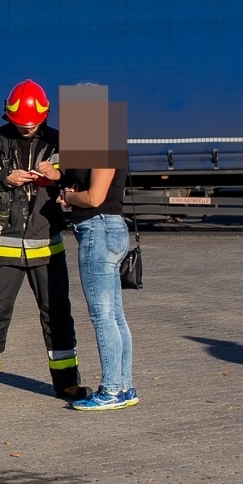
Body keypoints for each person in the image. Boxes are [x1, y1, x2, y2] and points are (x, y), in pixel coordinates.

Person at [0, 80, 88, 404]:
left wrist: (57, 175)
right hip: (2, 246)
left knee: (58, 315)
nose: (28, 128)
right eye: (21, 124)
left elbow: (83, 180)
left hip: (47, 246)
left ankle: (67, 383)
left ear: (44, 116)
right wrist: (2, 179)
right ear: (9, 116)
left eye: (33, 124)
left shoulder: (62, 141)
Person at [59, 165, 137, 411]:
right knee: (115, 315)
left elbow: (95, 198)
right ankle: (125, 387)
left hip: (99, 230)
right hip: (106, 228)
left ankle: (111, 389)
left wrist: (68, 197)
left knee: (103, 316)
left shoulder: (102, 145)